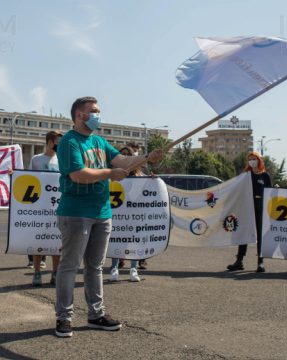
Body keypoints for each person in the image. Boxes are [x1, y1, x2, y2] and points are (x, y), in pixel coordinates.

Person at [54, 96, 163, 338]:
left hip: (102, 213)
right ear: (80, 115)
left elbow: (123, 161)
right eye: (94, 111)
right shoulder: (69, 142)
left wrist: (147, 157)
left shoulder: (100, 141)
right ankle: (64, 318)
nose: (98, 115)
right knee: (70, 267)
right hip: (75, 213)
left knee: (94, 267)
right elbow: (78, 174)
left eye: (98, 111)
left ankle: (96, 315)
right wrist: (110, 174)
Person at [227, 151, 271, 273]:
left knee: (260, 234)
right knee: (244, 232)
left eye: (254, 159)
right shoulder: (245, 175)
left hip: (260, 206)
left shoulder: (265, 176)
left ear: (259, 160)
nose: (252, 161)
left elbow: (270, 192)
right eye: (250, 159)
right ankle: (239, 261)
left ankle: (260, 262)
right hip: (246, 207)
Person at [29, 131, 62, 287]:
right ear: (50, 142)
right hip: (40, 206)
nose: (60, 145)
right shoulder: (36, 159)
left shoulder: (63, 160)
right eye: (58, 142)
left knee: (56, 240)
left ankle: (55, 272)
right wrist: (13, 175)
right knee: (38, 240)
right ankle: (37, 272)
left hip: (58, 205)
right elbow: (28, 178)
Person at [109, 146, 142, 282]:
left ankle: (133, 269)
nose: (124, 158)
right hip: (117, 214)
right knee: (117, 240)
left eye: (127, 156)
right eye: (121, 155)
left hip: (133, 215)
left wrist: (153, 179)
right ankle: (114, 268)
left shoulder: (140, 176)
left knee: (133, 241)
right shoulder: (112, 175)